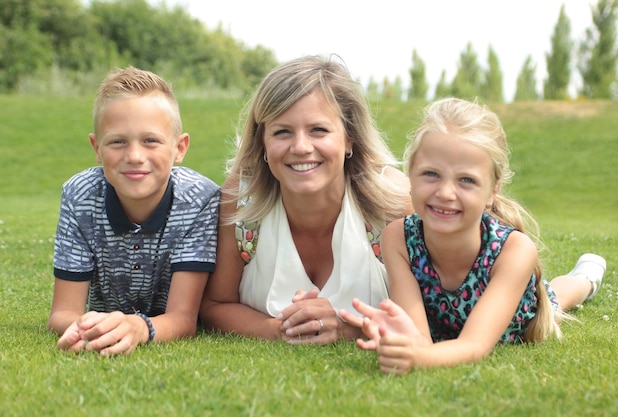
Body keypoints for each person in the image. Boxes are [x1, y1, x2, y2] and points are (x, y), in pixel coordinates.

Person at [339, 97, 607, 373]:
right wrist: (406, 345)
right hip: (448, 326)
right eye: (431, 174)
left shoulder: (515, 250)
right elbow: (419, 338)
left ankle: (586, 279)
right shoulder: (397, 238)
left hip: (518, 314)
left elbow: (474, 345)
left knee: (557, 298)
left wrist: (419, 359)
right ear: (410, 177)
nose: (445, 193)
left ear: (492, 190)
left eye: (466, 180)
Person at [199, 55, 413, 344]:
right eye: (282, 132)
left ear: (350, 138)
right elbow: (215, 306)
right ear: (262, 142)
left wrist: (344, 329)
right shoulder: (241, 197)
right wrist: (276, 329)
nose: (300, 147)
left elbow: (422, 315)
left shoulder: (393, 201)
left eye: (318, 130)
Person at [48, 67, 220, 356]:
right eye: (118, 142)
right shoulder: (79, 195)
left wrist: (139, 328)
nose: (135, 156)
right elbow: (62, 313)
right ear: (97, 148)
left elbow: (183, 319)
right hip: (103, 317)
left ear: (179, 148)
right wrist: (91, 326)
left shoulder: (200, 199)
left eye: (150, 140)